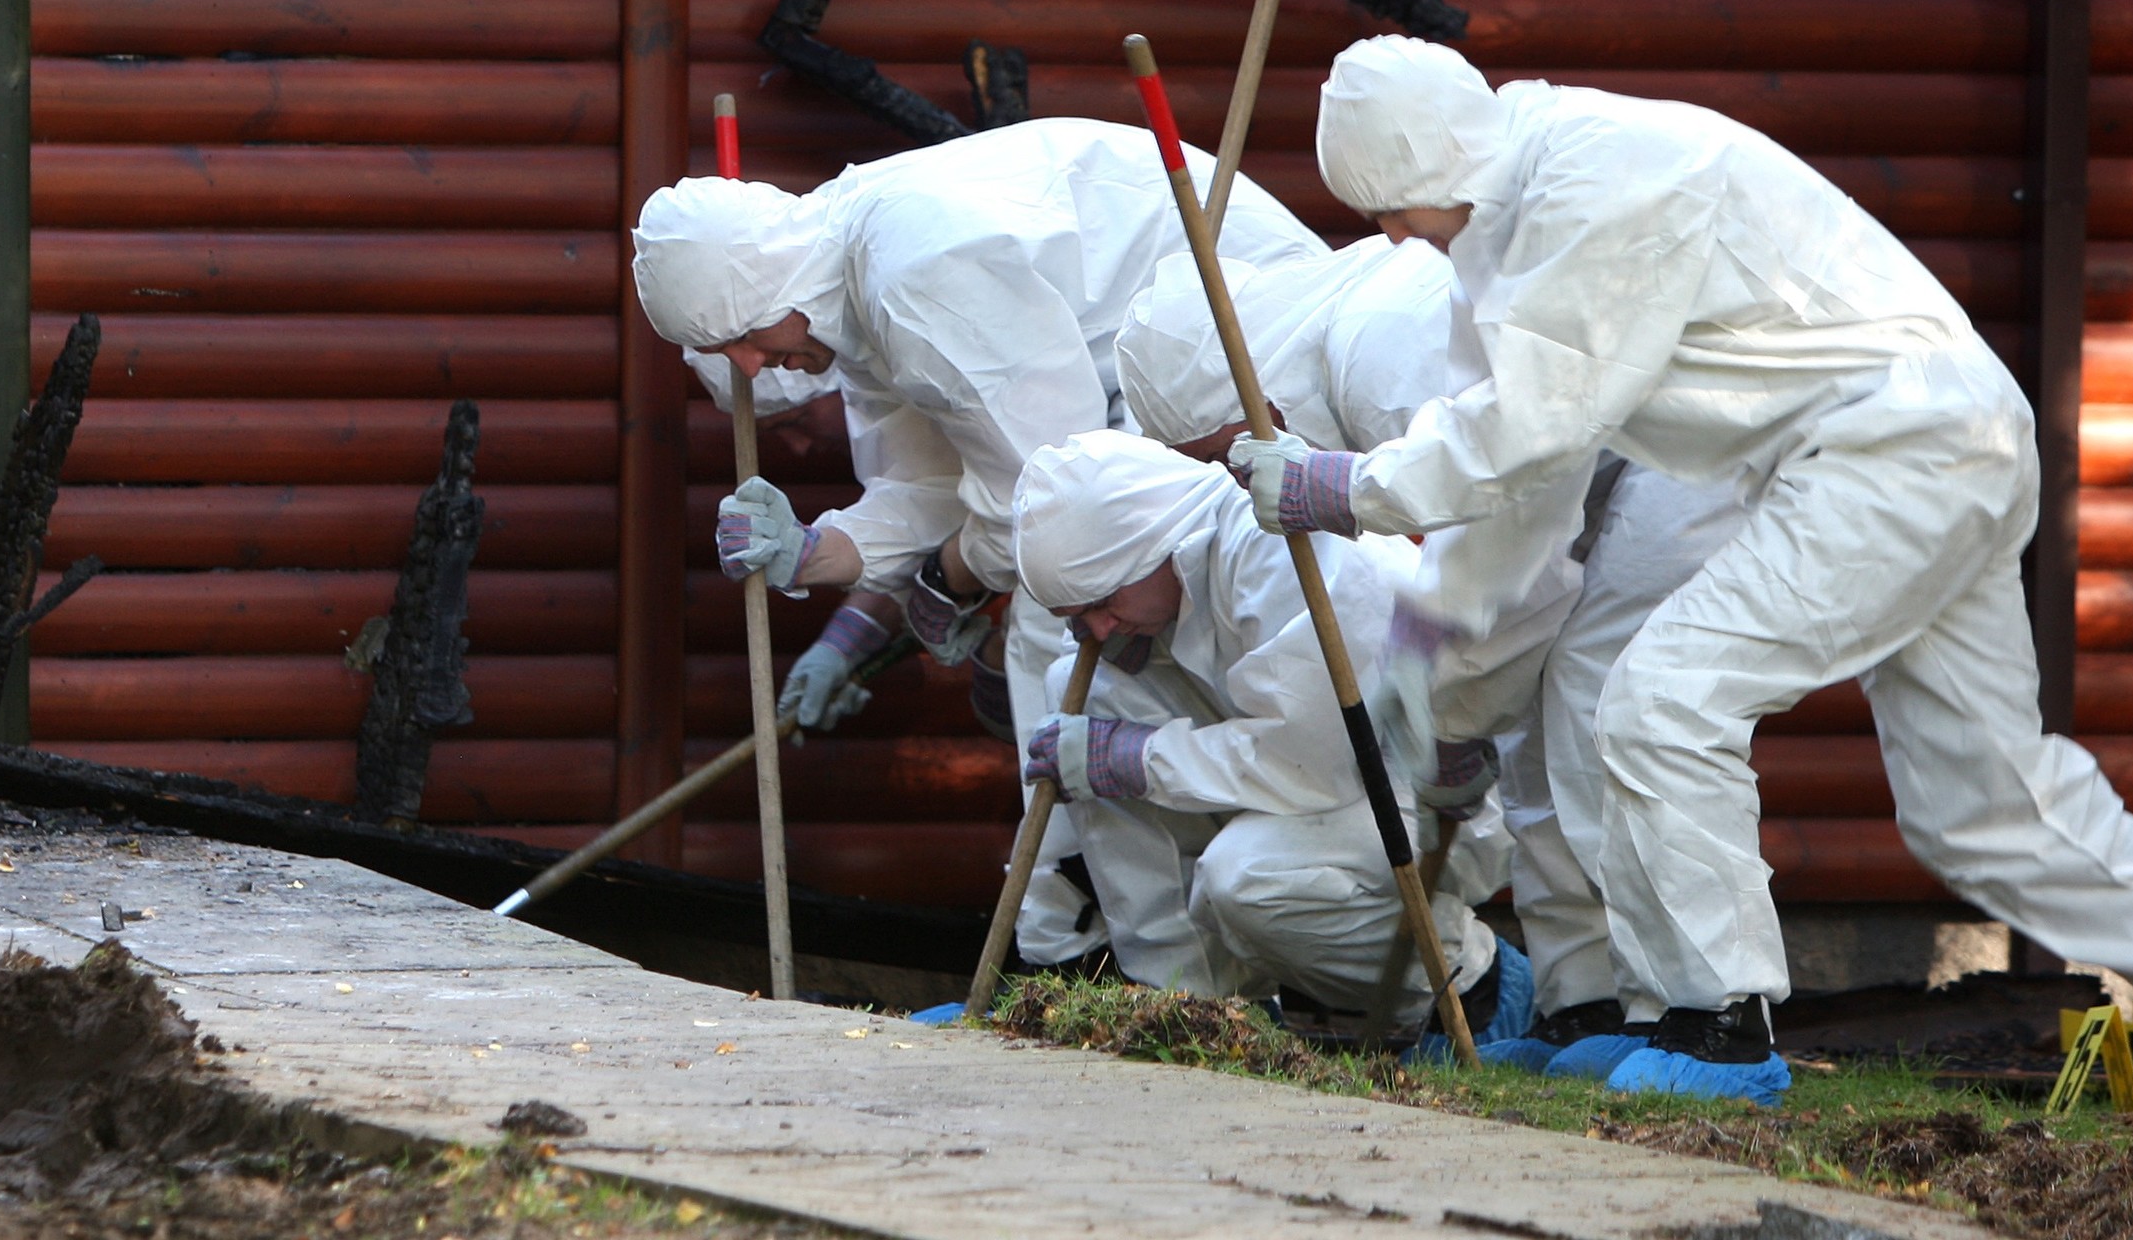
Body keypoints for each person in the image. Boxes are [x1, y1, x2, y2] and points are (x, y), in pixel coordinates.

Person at [1238, 35, 2133, 1105]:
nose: (1389, 234)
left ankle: (1719, 1030)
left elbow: (1526, 432)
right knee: (1983, 816)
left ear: (1438, 173)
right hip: (1923, 444)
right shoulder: (1507, 215)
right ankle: (1674, 1014)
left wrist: (1346, 488)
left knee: (1662, 700)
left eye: (1392, 206)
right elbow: (1518, 499)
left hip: (1896, 450)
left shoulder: (1595, 181)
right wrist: (1437, 669)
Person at [628, 118, 1328, 794]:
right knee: (1071, 630)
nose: (751, 368)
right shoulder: (847, 276)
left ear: (772, 287)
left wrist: (952, 573)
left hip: (1245, 362)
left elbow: (1046, 490)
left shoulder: (913, 273)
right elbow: (933, 479)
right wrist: (822, 551)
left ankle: (1112, 899)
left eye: (745, 337)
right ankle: (1107, 891)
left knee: (1050, 632)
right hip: (1147, 385)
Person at [1113, 237, 1597, 1053]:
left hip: (1598, 525)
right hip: (1549, 558)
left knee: (1595, 744)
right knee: (1551, 760)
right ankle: (1589, 1012)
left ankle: (1692, 1021)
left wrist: (1452, 707)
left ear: (1244, 392)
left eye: (1217, 452)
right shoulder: (1330, 368)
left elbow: (1504, 534)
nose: (1229, 476)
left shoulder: (1382, 347)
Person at [1009, 431, 1530, 1039]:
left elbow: (1309, 767)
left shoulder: (1283, 561)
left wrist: (1143, 758)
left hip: (1423, 804)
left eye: (1102, 600)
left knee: (1246, 883)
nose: (1095, 626)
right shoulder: (1166, 583)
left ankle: (1474, 989)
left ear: (1155, 546)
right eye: (1076, 615)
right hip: (1313, 790)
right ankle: (1201, 1012)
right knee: (1080, 689)